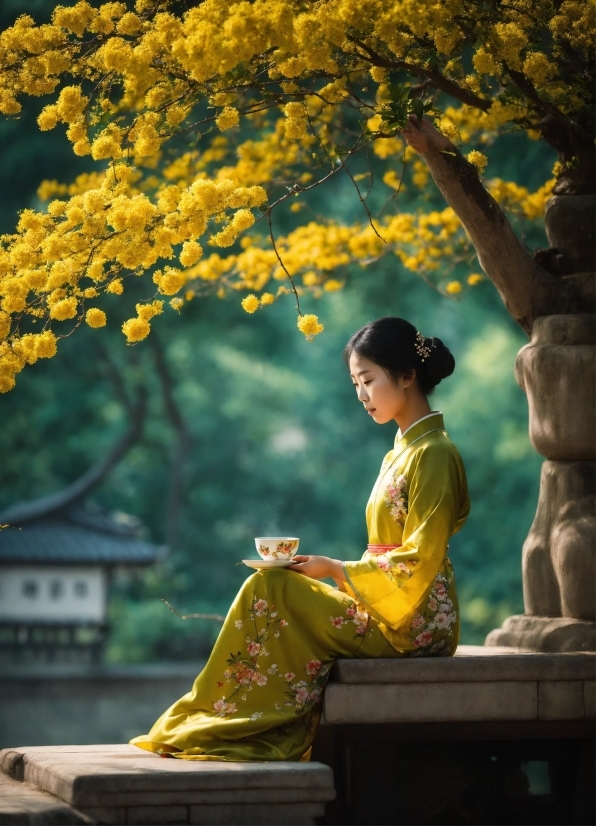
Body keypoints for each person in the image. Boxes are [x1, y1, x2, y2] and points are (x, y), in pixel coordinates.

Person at [130, 317, 470, 762]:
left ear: (407, 377)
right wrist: (334, 570)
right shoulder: (402, 450)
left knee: (272, 588)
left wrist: (335, 569)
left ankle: (234, 724)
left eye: (368, 380)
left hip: (417, 624)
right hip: (389, 605)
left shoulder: (434, 453)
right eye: (355, 383)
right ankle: (219, 716)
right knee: (269, 584)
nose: (361, 394)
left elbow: (421, 557)